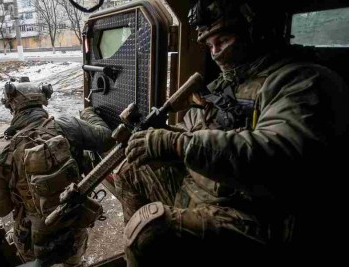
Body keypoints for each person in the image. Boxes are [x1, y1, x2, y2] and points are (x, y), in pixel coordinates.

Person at [114, 0, 349, 264]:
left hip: (256, 214)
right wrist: (159, 142)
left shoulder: (302, 82)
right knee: (129, 169)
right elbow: (190, 130)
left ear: (255, 32)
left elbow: (278, 156)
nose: (215, 53)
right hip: (205, 192)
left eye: (223, 40)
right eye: (209, 45)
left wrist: (177, 145)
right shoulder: (221, 85)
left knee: (148, 231)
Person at [0, 78, 114, 266]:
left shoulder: (0, 153)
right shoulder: (68, 126)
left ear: (13, 107)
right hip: (72, 230)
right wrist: (88, 113)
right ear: (42, 101)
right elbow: (107, 138)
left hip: (32, 241)